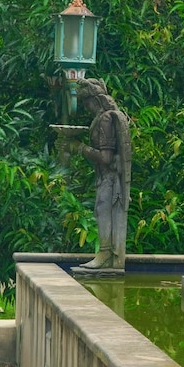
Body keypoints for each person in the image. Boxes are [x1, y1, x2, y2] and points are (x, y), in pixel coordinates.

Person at [70, 78, 131, 270]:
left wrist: (81, 148)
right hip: (105, 177)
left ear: (94, 101)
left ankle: (106, 253)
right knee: (100, 211)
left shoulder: (105, 119)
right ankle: (105, 254)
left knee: (104, 212)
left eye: (87, 103)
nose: (86, 107)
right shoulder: (104, 117)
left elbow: (105, 157)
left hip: (111, 179)